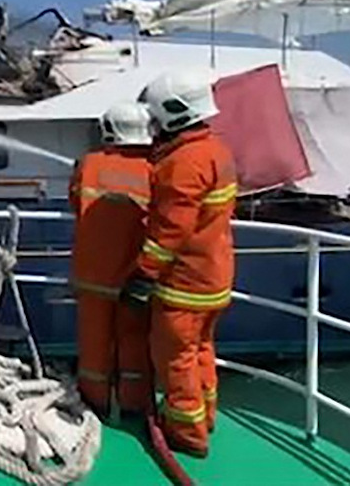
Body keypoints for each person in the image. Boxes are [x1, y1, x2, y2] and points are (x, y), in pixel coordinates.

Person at [123, 71, 236, 458]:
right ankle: (206, 416)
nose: (152, 125)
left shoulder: (183, 163)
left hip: (184, 284)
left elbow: (171, 229)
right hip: (214, 278)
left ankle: (187, 435)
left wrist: (143, 274)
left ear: (174, 114)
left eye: (155, 116)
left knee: (176, 359)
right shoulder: (216, 151)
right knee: (201, 350)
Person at [70, 101, 154, 417]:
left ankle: (95, 404)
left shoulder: (88, 164)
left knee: (94, 347)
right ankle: (134, 405)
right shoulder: (156, 169)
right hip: (136, 274)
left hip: (92, 275)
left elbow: (74, 201)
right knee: (133, 344)